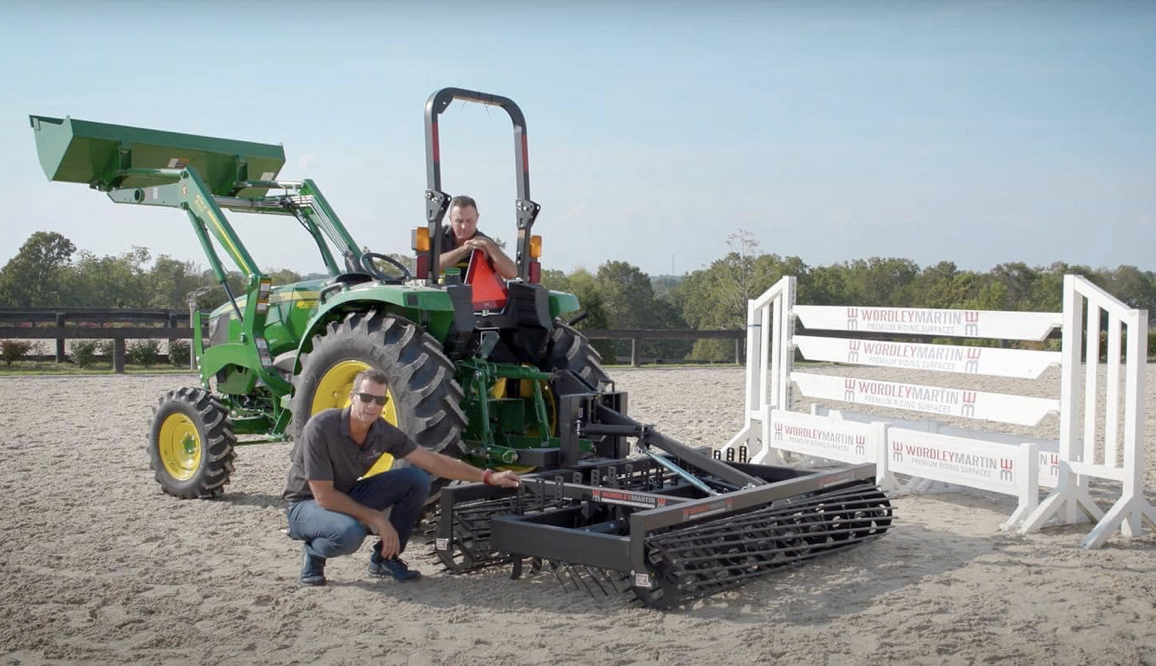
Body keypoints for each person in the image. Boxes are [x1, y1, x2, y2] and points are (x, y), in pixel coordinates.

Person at [283, 368, 520, 586]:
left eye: (380, 400)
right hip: (306, 504)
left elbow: (433, 461)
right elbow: (324, 497)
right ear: (353, 396)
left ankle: (386, 558)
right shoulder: (322, 426)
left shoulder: (382, 431)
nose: (372, 406)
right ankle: (314, 553)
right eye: (366, 398)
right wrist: (378, 518)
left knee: (416, 479)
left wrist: (487, 476)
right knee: (349, 534)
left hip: (345, 494)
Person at [438, 195, 518, 279]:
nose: (464, 226)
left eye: (469, 221)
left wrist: (488, 244)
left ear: (477, 218)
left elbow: (511, 273)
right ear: (450, 219)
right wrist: (465, 249)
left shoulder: (485, 243)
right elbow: (430, 266)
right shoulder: (438, 237)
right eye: (459, 221)